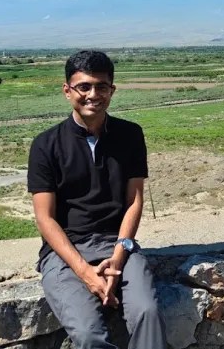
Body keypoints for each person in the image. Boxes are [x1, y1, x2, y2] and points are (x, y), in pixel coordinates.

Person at [27, 50, 165, 349]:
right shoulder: (46, 144)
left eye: (102, 86)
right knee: (89, 334)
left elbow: (134, 201)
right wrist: (86, 273)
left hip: (117, 245)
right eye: (84, 87)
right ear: (67, 91)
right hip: (64, 253)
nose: (93, 94)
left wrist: (120, 253)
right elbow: (44, 218)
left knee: (147, 312)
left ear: (112, 90)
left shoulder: (130, 135)